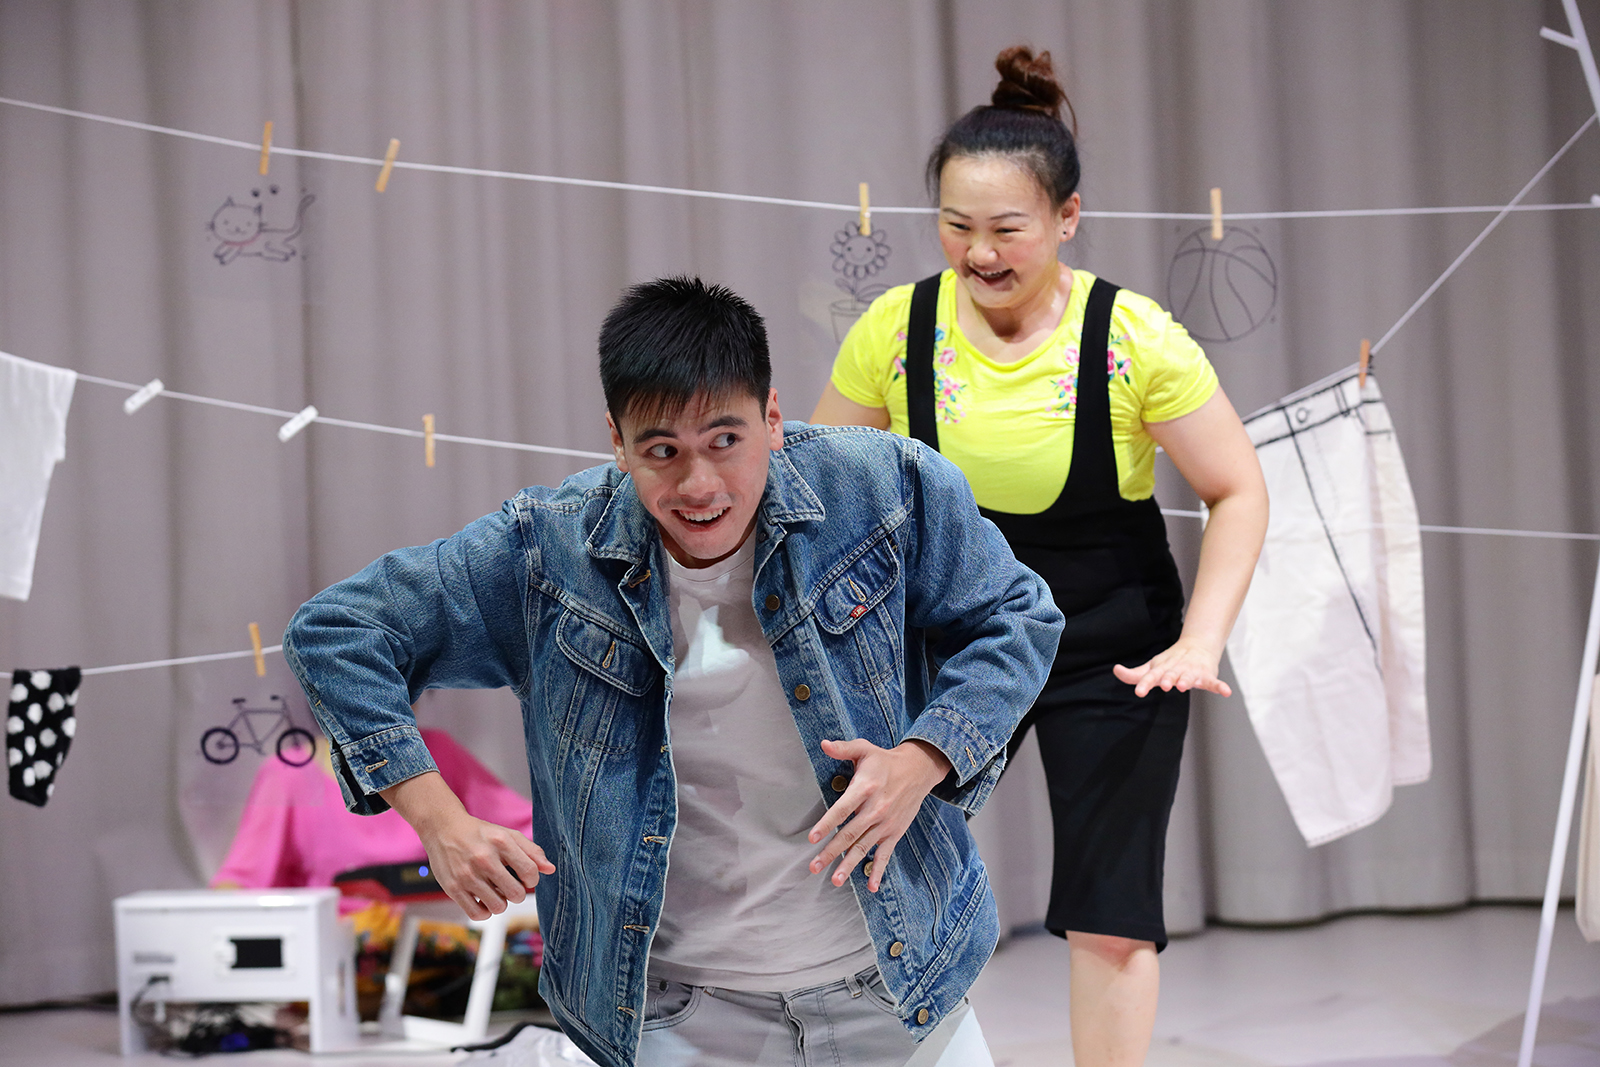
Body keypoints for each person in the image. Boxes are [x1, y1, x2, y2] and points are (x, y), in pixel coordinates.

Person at [284, 276, 1064, 1067]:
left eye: (726, 440)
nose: (699, 485)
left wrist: (922, 759)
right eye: (662, 451)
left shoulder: (883, 487)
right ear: (618, 442)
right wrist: (438, 821)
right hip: (677, 1013)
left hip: (897, 986)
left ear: (772, 418)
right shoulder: (548, 552)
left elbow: (1018, 617)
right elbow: (337, 631)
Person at [811, 46, 1269, 1067]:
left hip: (1114, 642)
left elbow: (1238, 488)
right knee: (871, 863)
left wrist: (1199, 641)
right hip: (956, 631)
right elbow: (821, 492)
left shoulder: (1134, 337)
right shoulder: (897, 331)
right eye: (955, 225)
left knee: (1111, 907)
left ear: (1066, 218)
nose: (978, 252)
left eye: (1007, 228)